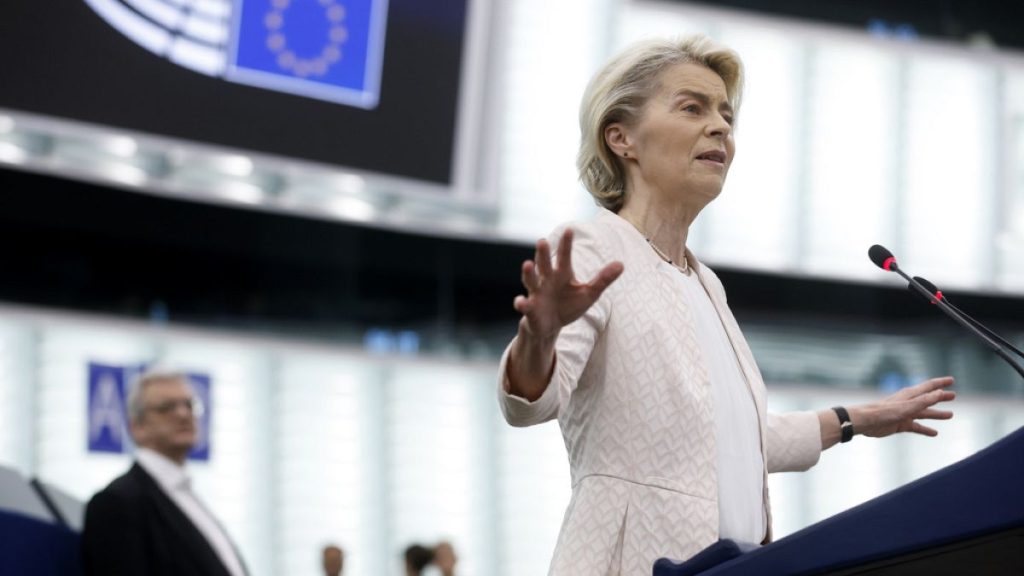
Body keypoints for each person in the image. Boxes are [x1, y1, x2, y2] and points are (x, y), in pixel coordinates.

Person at [498, 35, 956, 575]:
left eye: (725, 115)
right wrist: (540, 336)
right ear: (621, 138)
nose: (720, 127)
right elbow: (530, 404)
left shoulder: (706, 284)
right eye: (691, 108)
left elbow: (732, 442)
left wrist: (859, 418)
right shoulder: (596, 248)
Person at [81, 368, 248, 576]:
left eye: (189, 404)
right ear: (136, 426)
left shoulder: (187, 496)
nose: (183, 414)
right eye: (167, 407)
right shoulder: (117, 503)